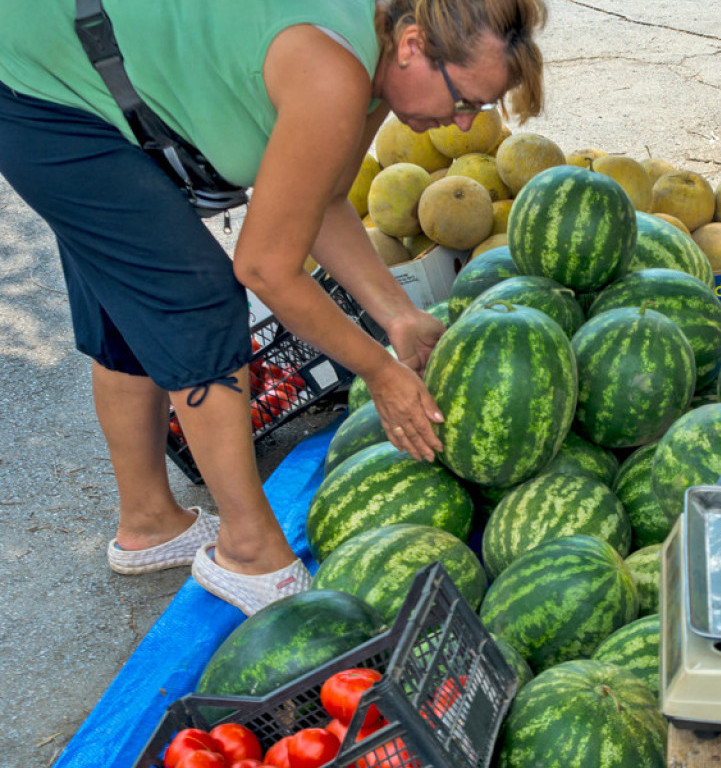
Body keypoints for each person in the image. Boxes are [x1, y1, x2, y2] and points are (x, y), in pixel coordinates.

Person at [0, 0, 546, 615]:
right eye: (465, 99)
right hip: (41, 81)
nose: (467, 122)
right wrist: (380, 370)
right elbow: (263, 266)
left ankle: (150, 523)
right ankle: (250, 551)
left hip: (75, 53)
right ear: (415, 46)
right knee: (193, 299)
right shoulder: (334, 72)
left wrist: (398, 315)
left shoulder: (376, 62)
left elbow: (321, 202)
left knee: (135, 296)